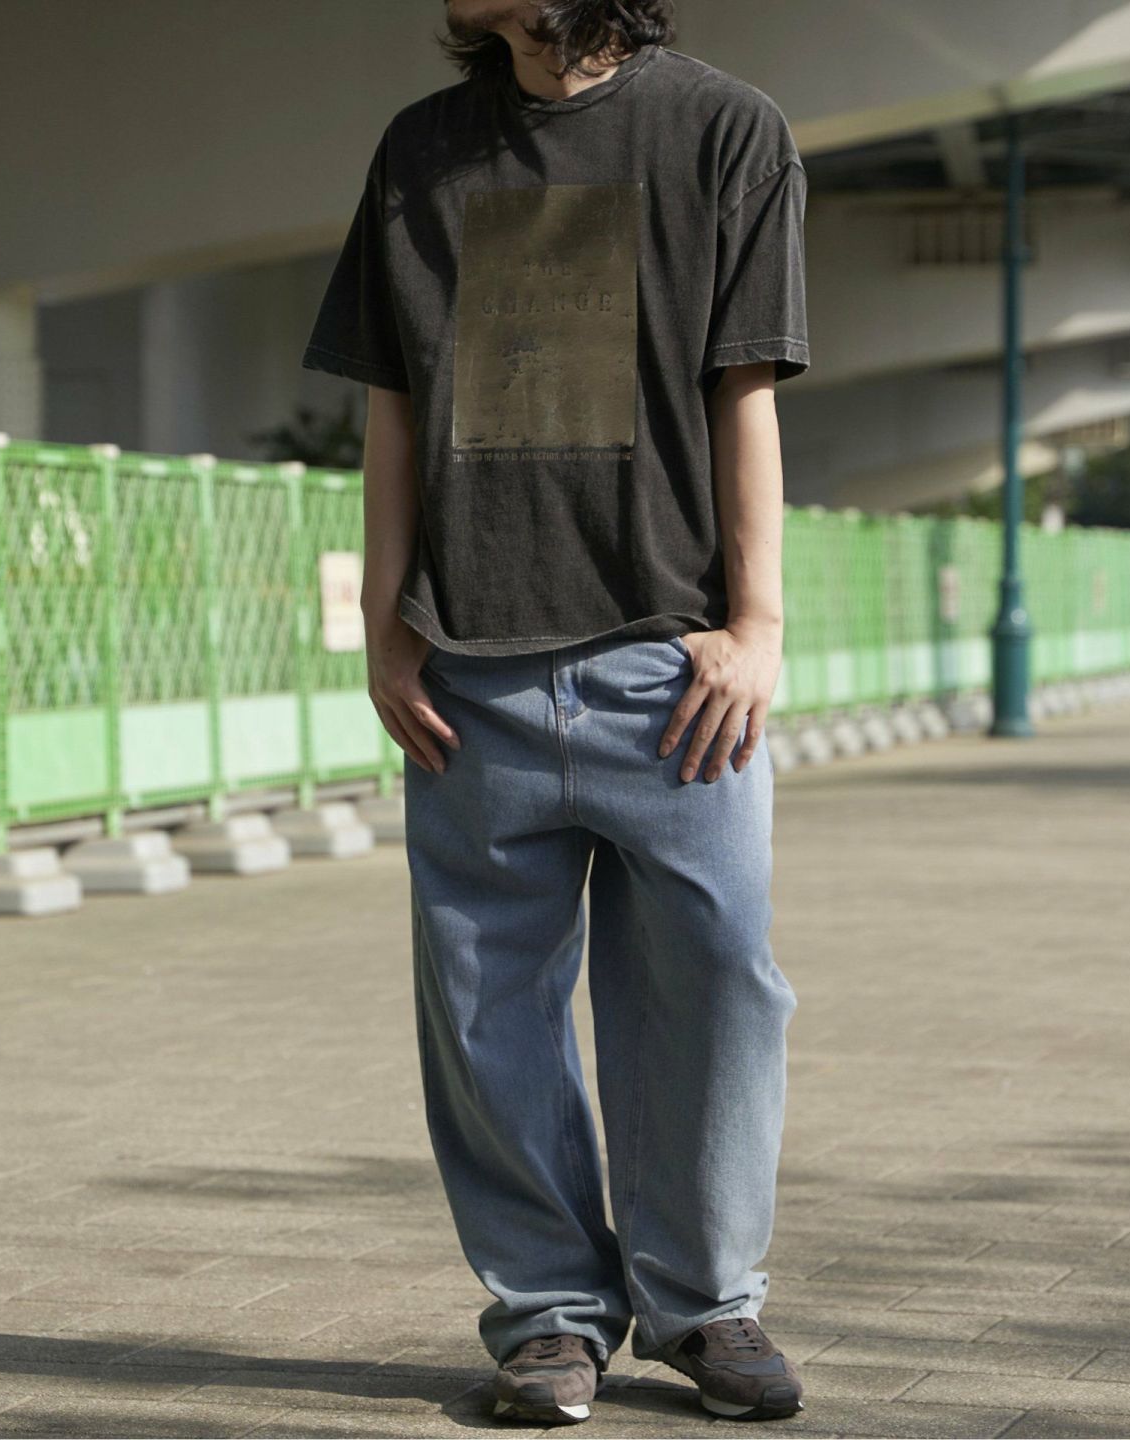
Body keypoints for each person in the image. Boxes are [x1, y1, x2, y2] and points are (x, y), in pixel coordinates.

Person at [301, 0, 810, 1425]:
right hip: (470, 672)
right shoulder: (421, 151)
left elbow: (747, 387)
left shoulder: (726, 129)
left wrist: (758, 626)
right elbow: (393, 406)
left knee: (719, 990)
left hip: (674, 672)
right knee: (487, 1014)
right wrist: (385, 625)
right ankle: (547, 1316)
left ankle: (708, 1306)